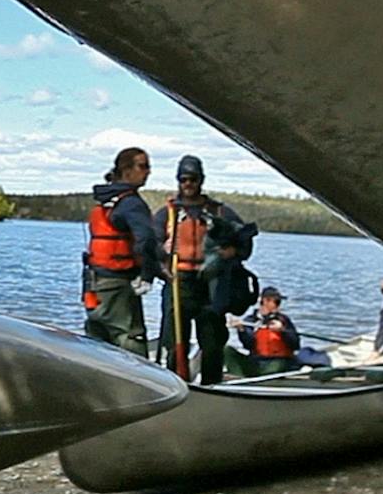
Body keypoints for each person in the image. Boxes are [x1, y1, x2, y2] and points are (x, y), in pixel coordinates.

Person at [155, 155, 249, 383]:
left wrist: (232, 252)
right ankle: (175, 384)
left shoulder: (219, 212)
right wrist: (162, 250)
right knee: (175, 342)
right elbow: (148, 248)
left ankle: (212, 388)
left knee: (213, 344)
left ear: (201, 180)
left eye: (193, 179)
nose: (188, 184)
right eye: (183, 179)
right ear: (178, 181)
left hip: (211, 284)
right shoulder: (167, 214)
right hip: (179, 282)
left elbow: (245, 239)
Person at [82, 146, 160, 356]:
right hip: (118, 284)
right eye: (143, 166)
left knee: (98, 342)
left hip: (94, 283)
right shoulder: (131, 203)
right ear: (126, 171)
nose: (148, 172)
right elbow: (146, 240)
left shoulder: (106, 199)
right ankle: (140, 386)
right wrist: (147, 275)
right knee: (130, 340)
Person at [234, 286, 303, 375]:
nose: (279, 305)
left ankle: (260, 376)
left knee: (279, 364)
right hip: (258, 361)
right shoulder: (251, 320)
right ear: (265, 301)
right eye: (276, 302)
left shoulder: (284, 320)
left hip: (280, 361)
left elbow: (296, 345)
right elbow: (249, 345)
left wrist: (282, 330)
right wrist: (241, 330)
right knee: (228, 351)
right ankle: (242, 375)